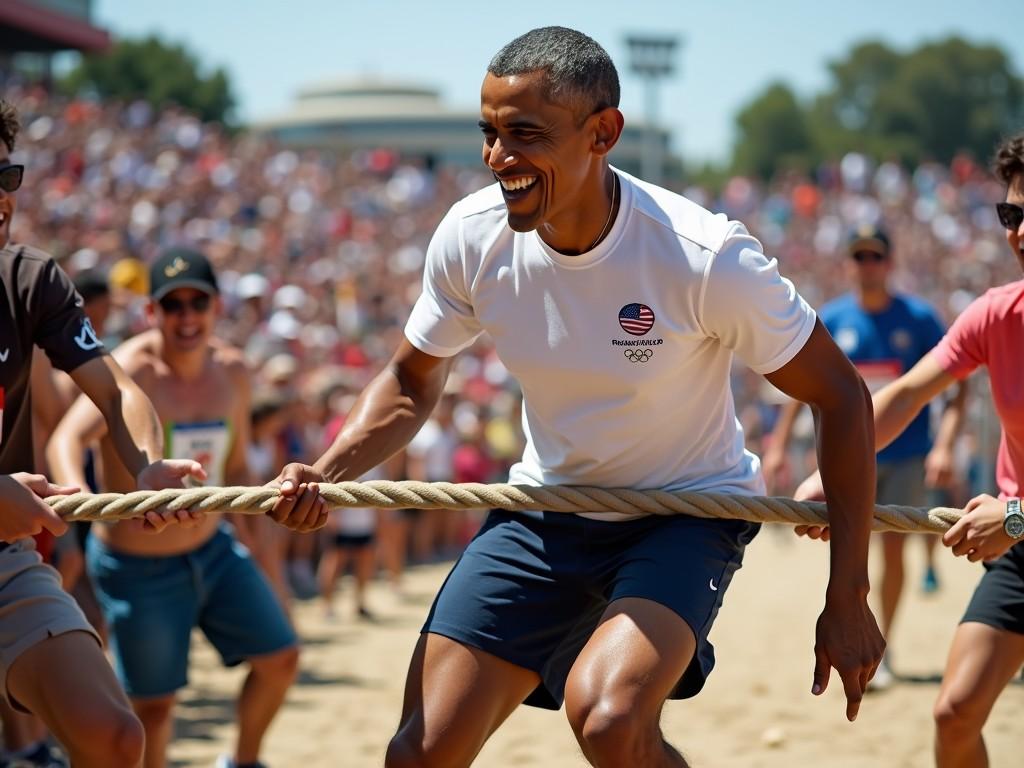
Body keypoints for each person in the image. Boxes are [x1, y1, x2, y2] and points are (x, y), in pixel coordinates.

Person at [271, 27, 884, 768]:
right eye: (490, 134)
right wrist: (328, 470)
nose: (499, 160)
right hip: (544, 511)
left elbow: (843, 396)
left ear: (604, 133)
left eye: (525, 134)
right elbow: (410, 380)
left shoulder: (704, 256)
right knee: (418, 754)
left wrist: (847, 593)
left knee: (608, 719)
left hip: (683, 515)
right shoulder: (470, 238)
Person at [793, 132, 1024, 768]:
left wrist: (1014, 514)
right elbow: (905, 395)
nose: (1020, 231)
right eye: (1011, 214)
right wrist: (832, 473)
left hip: (1013, 524)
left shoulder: (919, 310)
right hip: (1016, 541)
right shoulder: (995, 313)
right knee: (954, 714)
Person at [0, 98, 206, 768]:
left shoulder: (27, 278)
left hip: (5, 556)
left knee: (114, 737)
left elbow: (116, 387)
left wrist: (145, 467)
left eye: (6, 178)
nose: (1, 200)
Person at [48, 248, 300, 768]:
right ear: (151, 313)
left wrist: (270, 564)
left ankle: (242, 761)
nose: (186, 316)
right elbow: (65, 441)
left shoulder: (234, 371)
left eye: (197, 303)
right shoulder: (128, 370)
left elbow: (239, 473)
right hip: (137, 565)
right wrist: (78, 501)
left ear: (216, 307)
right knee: (155, 709)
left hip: (214, 549)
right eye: (172, 305)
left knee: (281, 658)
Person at [762, 224, 966, 689]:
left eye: (875, 257)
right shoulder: (831, 318)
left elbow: (956, 386)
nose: (867, 265)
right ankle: (855, 634)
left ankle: (884, 648)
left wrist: (946, 444)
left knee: (894, 551)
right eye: (859, 257)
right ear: (848, 264)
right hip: (844, 459)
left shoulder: (919, 319)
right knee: (849, 549)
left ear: (890, 263)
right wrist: (777, 447)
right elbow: (800, 387)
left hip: (907, 454)